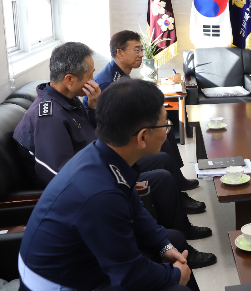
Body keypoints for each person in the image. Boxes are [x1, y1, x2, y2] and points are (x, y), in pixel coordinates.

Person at [18, 78, 220, 291]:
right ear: (142, 137)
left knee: (172, 239)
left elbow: (136, 210)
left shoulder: (103, 156)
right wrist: (175, 275)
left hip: (87, 266)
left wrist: (164, 246)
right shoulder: (99, 195)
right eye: (165, 126)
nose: (167, 132)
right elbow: (129, 277)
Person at [14, 42, 216, 269]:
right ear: (70, 79)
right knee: (161, 177)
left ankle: (180, 230)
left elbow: (90, 134)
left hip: (99, 164)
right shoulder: (48, 116)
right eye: (89, 75)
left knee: (161, 159)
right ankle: (178, 243)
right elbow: (59, 174)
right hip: (92, 182)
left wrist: (92, 108)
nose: (93, 79)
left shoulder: (68, 100)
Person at [87, 30, 204, 213]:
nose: (142, 54)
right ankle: (177, 194)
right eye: (137, 50)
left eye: (141, 50)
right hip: (116, 144)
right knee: (161, 135)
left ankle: (178, 180)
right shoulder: (107, 83)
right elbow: (107, 126)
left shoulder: (121, 75)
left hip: (126, 132)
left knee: (165, 130)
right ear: (120, 52)